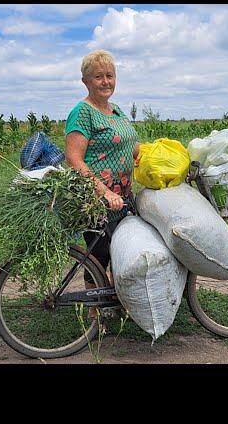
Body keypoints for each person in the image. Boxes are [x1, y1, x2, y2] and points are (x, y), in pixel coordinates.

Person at [64, 50, 141, 317]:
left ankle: (113, 304)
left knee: (117, 252)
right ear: (86, 81)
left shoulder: (116, 111)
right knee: (99, 255)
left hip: (123, 198)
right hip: (96, 199)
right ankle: (95, 314)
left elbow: (132, 148)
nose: (105, 81)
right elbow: (74, 159)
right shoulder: (82, 112)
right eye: (98, 77)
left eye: (110, 76)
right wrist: (105, 192)